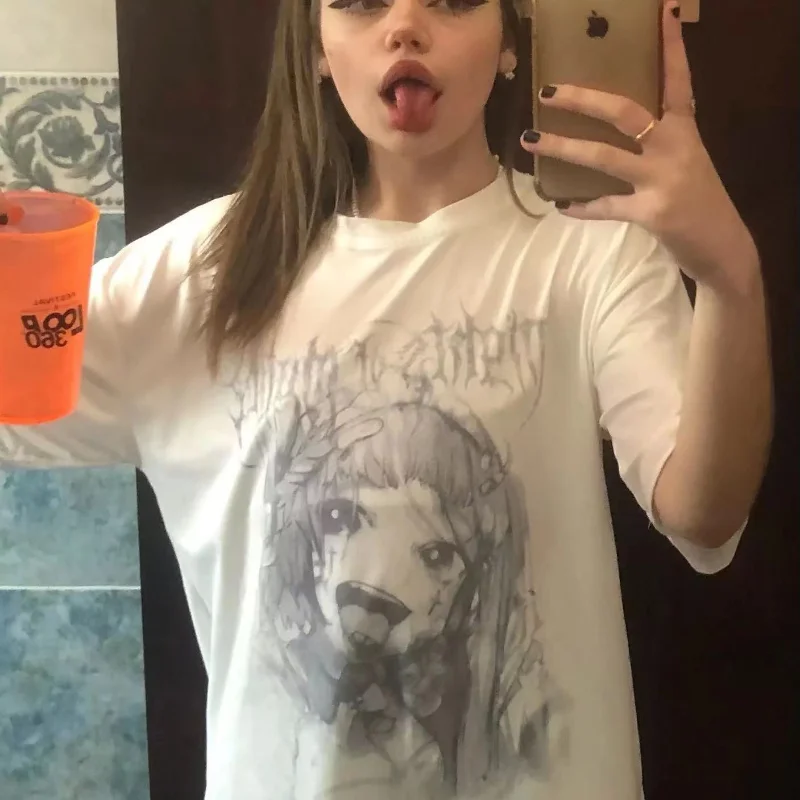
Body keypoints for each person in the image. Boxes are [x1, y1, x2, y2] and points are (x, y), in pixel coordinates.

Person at [1, 1, 772, 798]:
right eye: (362, 2)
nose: (405, 25)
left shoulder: (594, 253)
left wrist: (729, 274)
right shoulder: (195, 276)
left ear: (511, 44)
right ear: (316, 47)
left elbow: (704, 516)